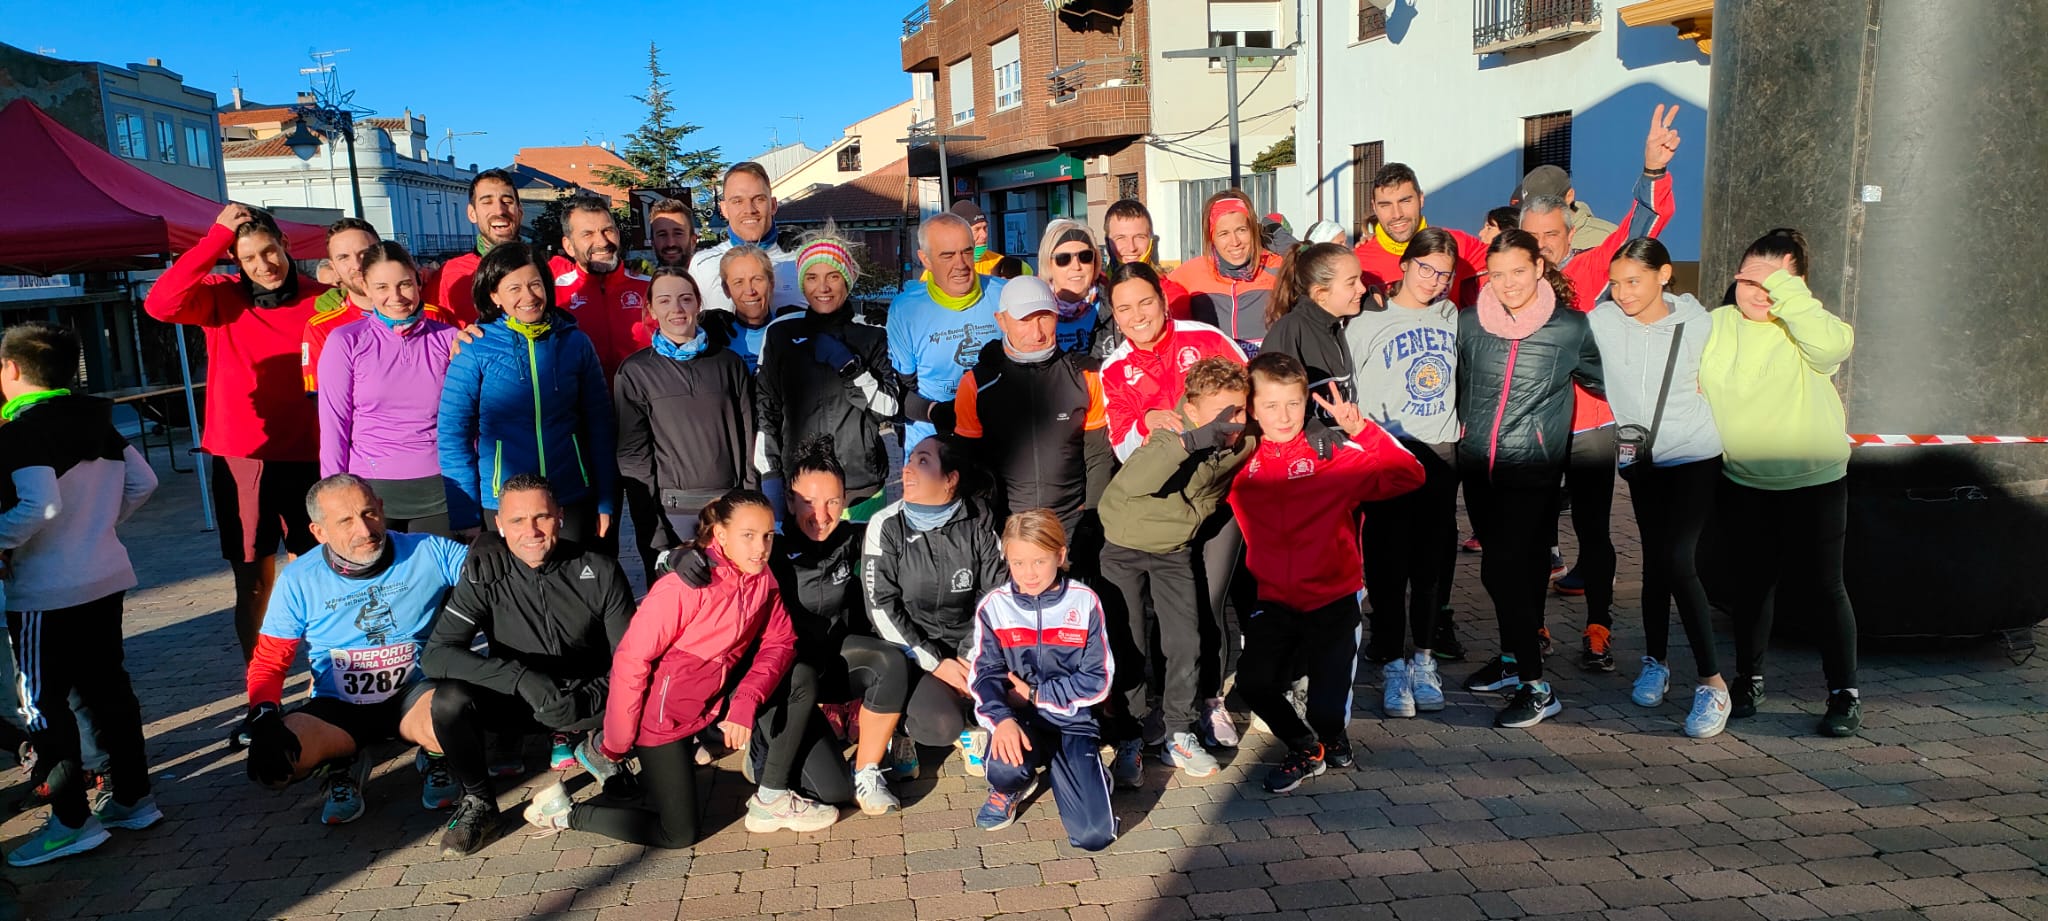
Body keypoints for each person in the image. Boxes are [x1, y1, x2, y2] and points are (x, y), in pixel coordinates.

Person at [522, 490, 825, 845]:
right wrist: (619, 741)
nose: (760, 547)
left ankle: (771, 796)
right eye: (748, 535)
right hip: (662, 718)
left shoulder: (761, 577)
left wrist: (745, 701)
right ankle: (565, 812)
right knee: (678, 834)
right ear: (721, 535)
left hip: (714, 697)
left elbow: (780, 642)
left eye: (767, 535)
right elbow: (631, 658)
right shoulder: (684, 586)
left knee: (801, 676)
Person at [1522, 104, 1681, 672]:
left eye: (1551, 235)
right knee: (1536, 533)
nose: (1541, 246)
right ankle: (1531, 626)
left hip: (1591, 425)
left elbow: (1639, 230)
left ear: (1569, 228)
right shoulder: (1512, 284)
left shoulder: (1593, 271)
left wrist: (1653, 172)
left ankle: (1598, 626)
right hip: (1536, 428)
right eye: (1532, 237)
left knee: (1593, 531)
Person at [676, 439, 912, 815]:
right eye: (809, 502)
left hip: (829, 666)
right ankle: (762, 748)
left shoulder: (856, 539)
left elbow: (913, 527)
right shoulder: (772, 546)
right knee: (832, 791)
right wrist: (679, 558)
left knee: (889, 661)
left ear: (846, 500)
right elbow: (714, 544)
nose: (821, 514)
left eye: (833, 501)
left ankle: (867, 772)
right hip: (782, 683)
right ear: (788, 501)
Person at [0, 324, 160, 866]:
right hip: (104, 576)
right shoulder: (97, 415)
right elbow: (145, 483)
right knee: (108, 690)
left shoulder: (21, 428)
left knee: (43, 705)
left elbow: (38, 505)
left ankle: (71, 821)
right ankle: (135, 798)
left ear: (12, 370)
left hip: (46, 591)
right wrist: (97, 528)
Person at [1230, 352, 1424, 794]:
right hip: (1273, 600)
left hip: (1334, 599)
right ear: (1253, 407)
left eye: (1294, 404)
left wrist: (1361, 430)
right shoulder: (1240, 460)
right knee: (1253, 683)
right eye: (1271, 406)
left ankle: (1329, 734)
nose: (1283, 416)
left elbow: (1410, 475)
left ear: (1307, 403)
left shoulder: (1332, 452)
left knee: (1326, 712)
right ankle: (1305, 748)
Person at [144, 203, 330, 662]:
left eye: (270, 252)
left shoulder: (322, 299)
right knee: (251, 580)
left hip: (311, 455)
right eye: (249, 258)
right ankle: (260, 690)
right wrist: (213, 241)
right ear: (236, 261)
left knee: (318, 571)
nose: (264, 266)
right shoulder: (218, 297)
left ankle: (326, 676)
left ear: (285, 246)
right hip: (242, 458)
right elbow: (159, 303)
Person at [1699, 228, 1862, 738]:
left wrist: (1789, 293)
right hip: (1744, 481)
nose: (1758, 291)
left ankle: (1844, 694)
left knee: (1823, 588)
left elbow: (1835, 347)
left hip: (1814, 480)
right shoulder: (1714, 324)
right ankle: (1748, 680)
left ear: (1797, 287)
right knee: (1751, 588)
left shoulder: (1808, 327)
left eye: (1773, 283)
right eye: (1749, 278)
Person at [422, 475, 635, 854]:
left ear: (561, 517)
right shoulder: (483, 574)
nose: (531, 531)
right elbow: (436, 654)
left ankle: (603, 749)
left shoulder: (600, 569)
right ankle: (479, 803)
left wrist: (589, 697)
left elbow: (631, 659)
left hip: (588, 700)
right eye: (517, 521)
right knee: (448, 700)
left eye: (542, 517)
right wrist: (519, 678)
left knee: (655, 683)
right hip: (520, 700)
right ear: (499, 525)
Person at [240, 476, 465, 826]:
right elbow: (270, 659)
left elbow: (494, 577)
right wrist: (264, 713)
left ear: (382, 509)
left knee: (460, 719)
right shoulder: (299, 578)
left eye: (369, 513)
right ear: (319, 532)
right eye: (345, 521)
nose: (365, 528)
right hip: (337, 706)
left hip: (414, 695)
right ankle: (342, 763)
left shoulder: (429, 551)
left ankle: (436, 756)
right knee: (275, 767)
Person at [1454, 229, 1604, 729]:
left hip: (1534, 470)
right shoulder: (1470, 323)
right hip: (1478, 467)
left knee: (1505, 572)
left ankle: (1538, 687)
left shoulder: (1571, 328)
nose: (1508, 283)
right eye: (1497, 274)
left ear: (1539, 268)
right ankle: (1514, 657)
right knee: (1512, 571)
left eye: (1518, 271)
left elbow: (1607, 380)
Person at [1587, 238, 1729, 738]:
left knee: (1680, 561)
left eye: (1634, 281)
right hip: (1641, 460)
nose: (1622, 293)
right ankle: (1656, 660)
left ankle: (1713, 683)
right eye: (1615, 282)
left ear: (1664, 275)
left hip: (1694, 454)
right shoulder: (1601, 322)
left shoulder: (1701, 323)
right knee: (1654, 561)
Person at [1097, 358, 1256, 782]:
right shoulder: (1170, 433)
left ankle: (1179, 733)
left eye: (1241, 409)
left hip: (1174, 549)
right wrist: (1192, 441)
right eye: (1225, 413)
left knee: (1186, 640)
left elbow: (1276, 435)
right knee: (1127, 642)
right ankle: (1129, 736)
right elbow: (1131, 484)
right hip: (1125, 546)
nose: (1235, 420)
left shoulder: (1241, 440)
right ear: (1191, 408)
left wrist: (1311, 431)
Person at [1344, 228, 1463, 717]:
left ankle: (1424, 659)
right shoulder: (1367, 321)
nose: (1433, 280)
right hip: (1387, 449)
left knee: (1431, 565)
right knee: (1388, 565)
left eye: (1444, 273)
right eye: (1425, 268)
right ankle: (1393, 662)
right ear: (1405, 265)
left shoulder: (1453, 316)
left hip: (1440, 449)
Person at [438, 243, 616, 545]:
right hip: (503, 503)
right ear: (494, 295)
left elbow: (600, 426)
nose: (529, 296)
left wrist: (605, 500)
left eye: (535, 284)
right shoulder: (475, 349)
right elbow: (453, 435)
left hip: (569, 495)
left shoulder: (575, 343)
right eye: (514, 288)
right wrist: (465, 513)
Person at [966, 510, 1116, 849]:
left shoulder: (1085, 601)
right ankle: (1011, 788)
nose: (1028, 574)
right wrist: (1002, 718)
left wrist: (1036, 693)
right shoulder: (994, 606)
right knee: (1004, 768)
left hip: (1072, 723)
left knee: (1095, 836)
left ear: (1060, 556)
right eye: (1018, 563)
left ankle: (1090, 774)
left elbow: (1098, 680)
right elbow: (984, 674)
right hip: (1021, 720)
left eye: (1039, 561)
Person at [863, 435, 1007, 773]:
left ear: (950, 479)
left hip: (966, 646)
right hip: (909, 653)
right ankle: (900, 729)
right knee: (943, 725)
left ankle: (972, 721)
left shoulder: (980, 519)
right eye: (910, 460)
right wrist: (935, 661)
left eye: (922, 461)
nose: (908, 469)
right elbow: (881, 607)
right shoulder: (886, 526)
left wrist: (970, 657)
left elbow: (994, 594)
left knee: (1010, 692)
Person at [613, 267, 755, 585]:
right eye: (664, 300)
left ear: (698, 304)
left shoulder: (728, 364)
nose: (676, 309)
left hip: (727, 510)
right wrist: (658, 539)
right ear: (650, 308)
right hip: (673, 514)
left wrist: (750, 505)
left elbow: (749, 438)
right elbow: (634, 459)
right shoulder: (636, 372)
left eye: (685, 299)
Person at [950, 276, 1112, 539]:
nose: (1037, 333)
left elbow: (1098, 456)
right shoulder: (976, 383)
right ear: (1001, 320)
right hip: (1007, 524)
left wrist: (1092, 517)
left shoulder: (1086, 374)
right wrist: (986, 520)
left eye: (1045, 318)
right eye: (1024, 320)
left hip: (1071, 522)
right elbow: (970, 462)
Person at [317, 242, 462, 536]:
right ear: (365, 287)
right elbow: (334, 425)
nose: (395, 297)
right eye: (382, 286)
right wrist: (332, 501)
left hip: (441, 489)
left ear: (419, 281)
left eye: (405, 284)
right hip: (370, 493)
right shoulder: (346, 341)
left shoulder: (450, 339)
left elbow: (467, 423)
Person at [756, 234, 901, 523]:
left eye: (833, 276)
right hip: (799, 486)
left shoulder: (871, 334)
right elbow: (765, 411)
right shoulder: (781, 334)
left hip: (859, 485)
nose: (822, 287)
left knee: (861, 566)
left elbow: (889, 408)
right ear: (801, 283)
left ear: (847, 280)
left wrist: (852, 369)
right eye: (811, 277)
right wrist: (771, 476)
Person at [1100, 262, 1247, 462]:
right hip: (1167, 473)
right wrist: (1145, 422)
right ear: (1115, 316)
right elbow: (1123, 451)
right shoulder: (1113, 370)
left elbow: (1253, 392)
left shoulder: (1207, 338)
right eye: (1125, 308)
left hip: (1227, 460)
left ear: (1163, 300)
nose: (1137, 316)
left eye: (1146, 302)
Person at [888, 212, 1008, 449]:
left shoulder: (1004, 294)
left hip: (996, 434)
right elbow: (902, 389)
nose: (960, 264)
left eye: (966, 252)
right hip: (934, 442)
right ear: (926, 260)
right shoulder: (905, 309)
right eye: (947, 255)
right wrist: (937, 413)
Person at [301, 219, 455, 395]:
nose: (357, 265)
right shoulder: (322, 328)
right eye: (343, 257)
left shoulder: (432, 315)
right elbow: (324, 401)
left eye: (364, 253)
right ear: (333, 267)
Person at [430, 168, 576, 327]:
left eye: (507, 201)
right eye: (487, 202)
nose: (499, 210)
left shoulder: (558, 269)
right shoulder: (448, 276)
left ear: (520, 212)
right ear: (472, 213)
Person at [1350, 164, 1489, 303]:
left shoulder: (1457, 243)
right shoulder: (1358, 262)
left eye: (1405, 201)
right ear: (1374, 207)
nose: (1397, 214)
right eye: (1385, 205)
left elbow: (1506, 259)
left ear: (1421, 199)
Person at [553, 193, 653, 380]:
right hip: (581, 406)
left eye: (607, 230)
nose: (602, 242)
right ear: (568, 246)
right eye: (587, 234)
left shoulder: (651, 289)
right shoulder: (554, 296)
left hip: (643, 405)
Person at [1166, 190, 1283, 347]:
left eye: (1241, 230)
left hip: (1267, 369)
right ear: (1211, 238)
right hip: (1217, 369)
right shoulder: (1190, 272)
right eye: (1223, 233)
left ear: (1253, 231)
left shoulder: (1278, 268)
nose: (1234, 242)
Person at [1260, 242, 1366, 413]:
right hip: (1308, 438)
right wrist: (1312, 430)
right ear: (1320, 294)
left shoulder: (1338, 323)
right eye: (1351, 283)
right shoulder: (1291, 330)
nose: (1362, 288)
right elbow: (1272, 403)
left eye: (1361, 279)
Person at [690, 162, 802, 315]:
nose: (749, 210)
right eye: (737, 201)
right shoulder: (703, 265)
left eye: (759, 199)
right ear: (724, 209)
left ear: (773, 205)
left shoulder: (801, 262)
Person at [705, 244, 802, 373]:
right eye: (738, 282)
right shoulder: (715, 337)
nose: (750, 291)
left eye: (757, 279)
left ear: (771, 283)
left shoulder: (792, 329)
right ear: (726, 289)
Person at [1037, 220, 1118, 358]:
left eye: (1085, 256)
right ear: (1048, 264)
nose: (1076, 266)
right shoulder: (1033, 311)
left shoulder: (1116, 305)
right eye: (1063, 259)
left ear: (1095, 261)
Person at [1101, 198, 1187, 313]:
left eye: (1139, 237)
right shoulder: (1094, 292)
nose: (1132, 248)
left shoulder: (1173, 295)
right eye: (1120, 238)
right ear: (1107, 242)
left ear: (1151, 240)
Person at [1511, 164, 1619, 254]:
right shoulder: (1518, 239)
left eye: (1547, 206)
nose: (1540, 244)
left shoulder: (1609, 238)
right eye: (1530, 208)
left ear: (1569, 196)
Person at [948, 199, 1027, 277]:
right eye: (977, 229)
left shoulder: (1003, 266)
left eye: (985, 228)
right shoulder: (942, 267)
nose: (984, 235)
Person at [648, 197, 698, 269]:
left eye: (678, 233)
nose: (670, 243)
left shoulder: (713, 278)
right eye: (662, 234)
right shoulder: (645, 278)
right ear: (653, 243)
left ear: (693, 241)